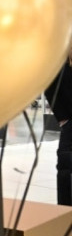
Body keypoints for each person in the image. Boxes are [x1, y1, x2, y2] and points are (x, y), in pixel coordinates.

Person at [45, 48, 72, 206]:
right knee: (65, 163)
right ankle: (64, 206)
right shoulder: (59, 68)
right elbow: (49, 91)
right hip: (69, 122)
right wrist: (62, 118)